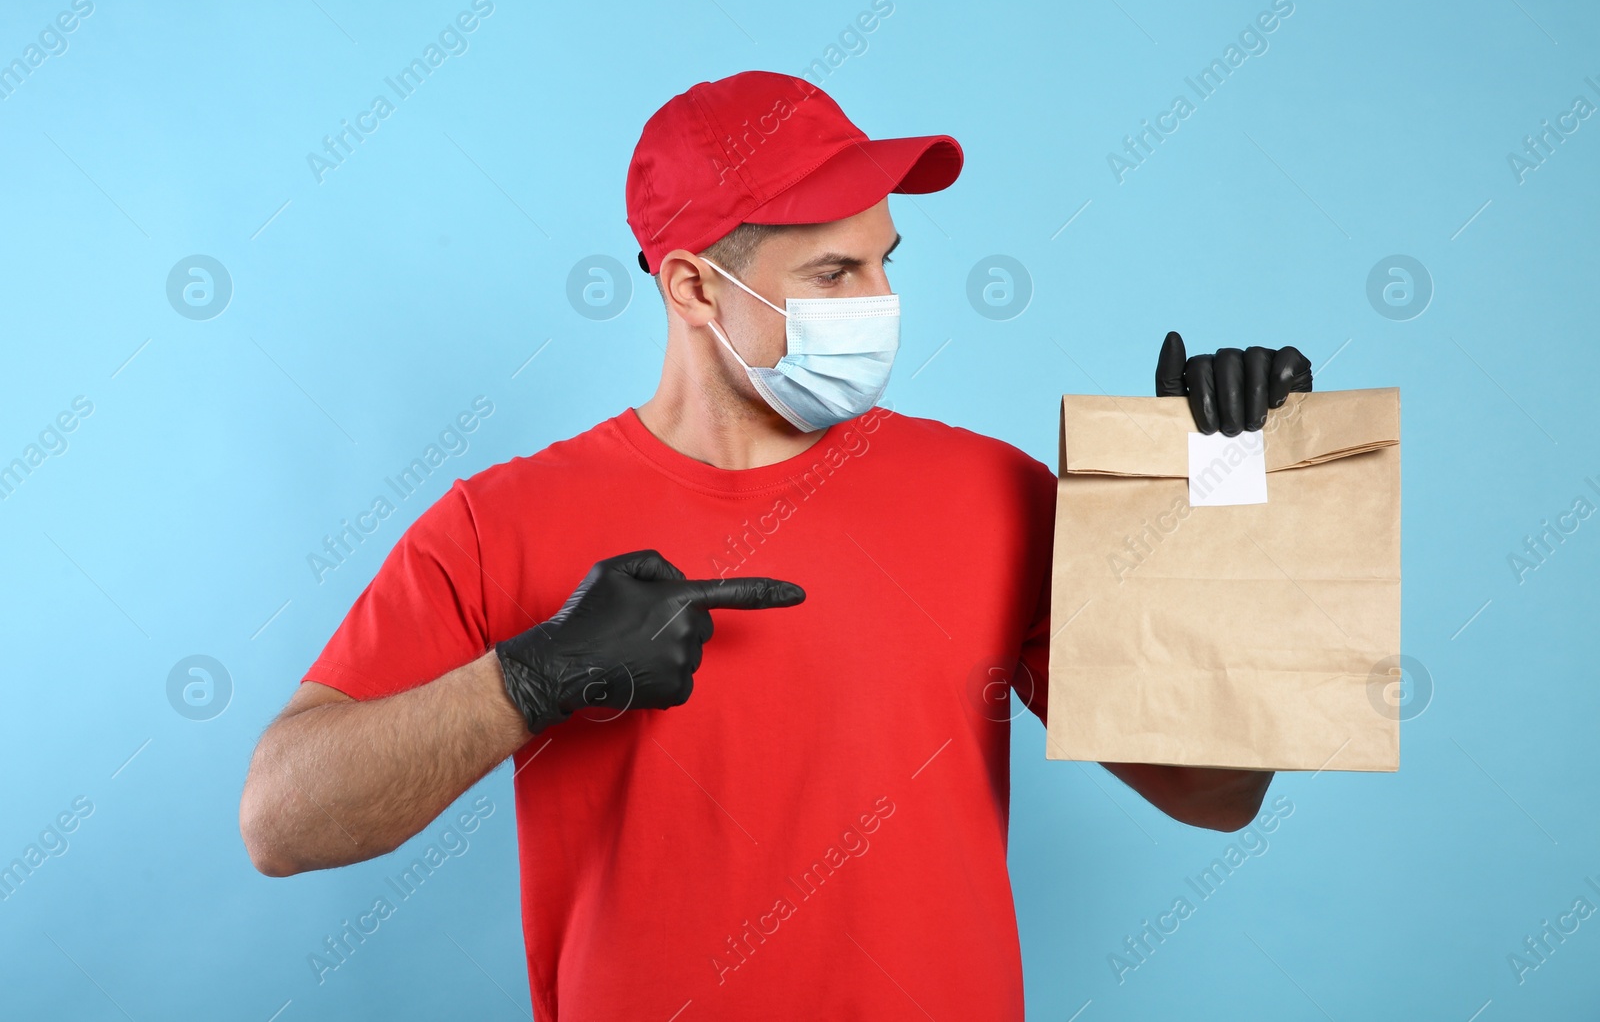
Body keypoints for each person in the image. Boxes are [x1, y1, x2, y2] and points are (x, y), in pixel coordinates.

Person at [239, 70, 1312, 1019]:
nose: (883, 304)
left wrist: (1218, 496)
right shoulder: (500, 520)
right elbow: (281, 820)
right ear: (695, 287)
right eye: (835, 274)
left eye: (887, 262)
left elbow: (1214, 795)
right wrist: (533, 675)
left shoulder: (995, 494)